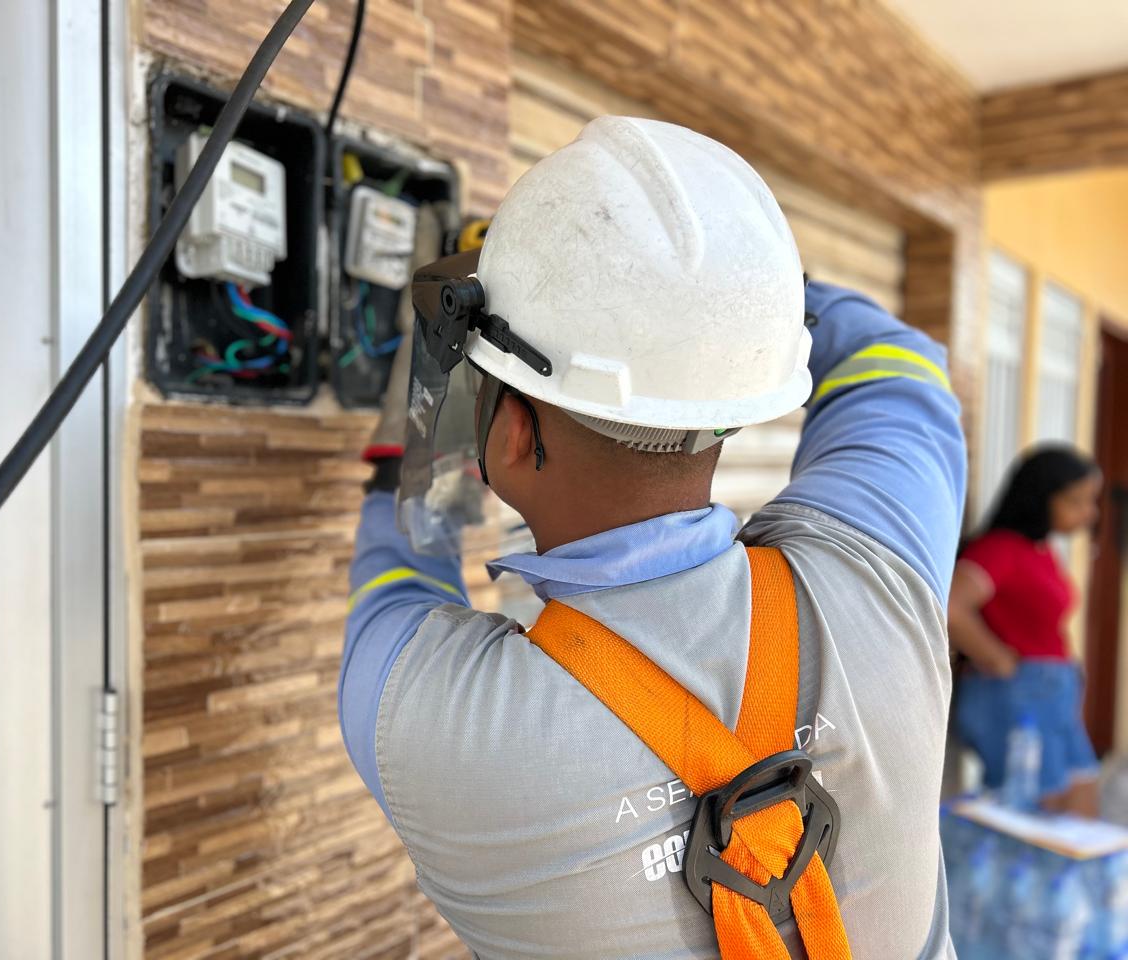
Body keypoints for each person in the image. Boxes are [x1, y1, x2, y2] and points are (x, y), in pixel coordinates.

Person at [340, 117, 966, 959]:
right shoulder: (881, 578)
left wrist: (419, 418)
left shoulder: (444, 733)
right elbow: (898, 361)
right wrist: (734, 291)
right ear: (735, 400)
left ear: (514, 434)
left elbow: (402, 561)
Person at [949, 445, 1102, 817]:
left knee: (1080, 799)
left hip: (1052, 695)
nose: (1090, 513)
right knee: (1037, 814)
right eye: (1076, 501)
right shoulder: (999, 549)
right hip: (1019, 695)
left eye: (1091, 501)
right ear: (1041, 497)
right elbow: (952, 607)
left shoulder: (1040, 548)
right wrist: (996, 658)